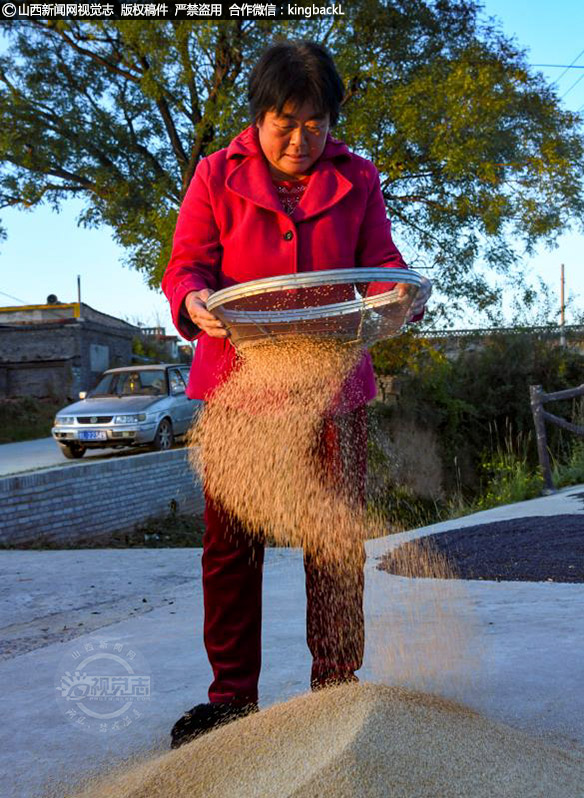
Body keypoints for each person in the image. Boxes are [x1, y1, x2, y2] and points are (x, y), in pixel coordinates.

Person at [162, 39, 431, 749]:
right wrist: (194, 301)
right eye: (286, 120)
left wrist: (398, 296)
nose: (302, 137)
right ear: (258, 117)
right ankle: (231, 699)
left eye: (317, 122)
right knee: (229, 546)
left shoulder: (357, 176)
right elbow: (186, 265)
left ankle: (336, 689)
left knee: (334, 544)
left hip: (331, 386)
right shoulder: (217, 174)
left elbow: (380, 263)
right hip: (242, 386)